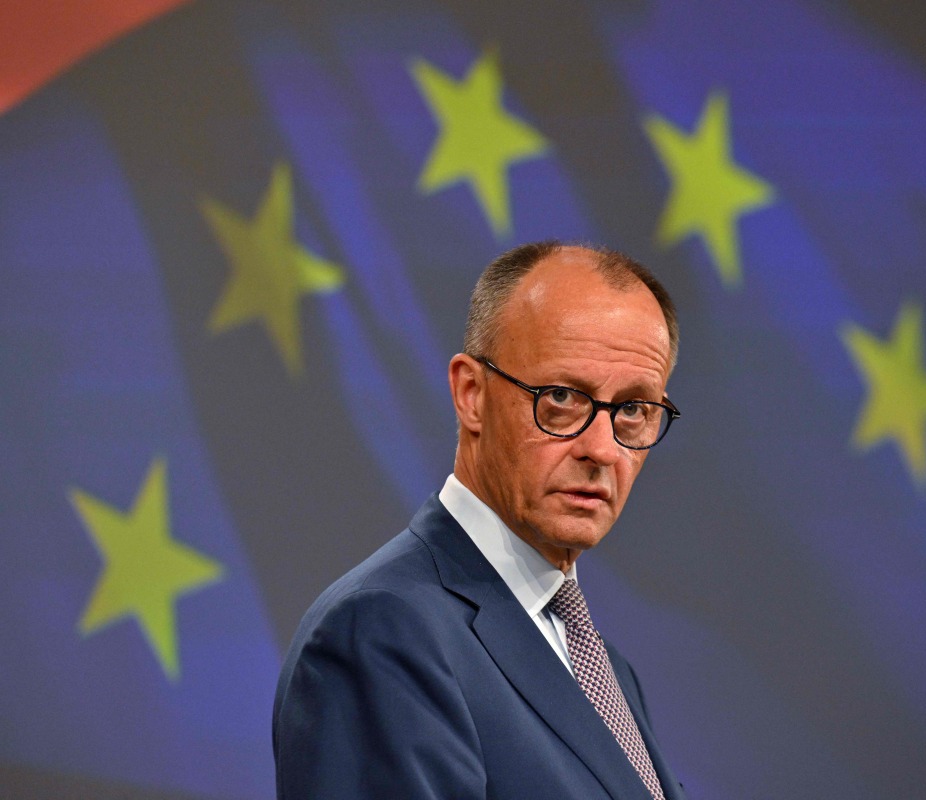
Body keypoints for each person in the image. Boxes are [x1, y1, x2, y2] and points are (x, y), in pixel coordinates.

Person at [273, 241, 687, 799]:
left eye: (633, 409)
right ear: (471, 394)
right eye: (562, 397)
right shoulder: (380, 630)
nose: (602, 449)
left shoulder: (603, 666)